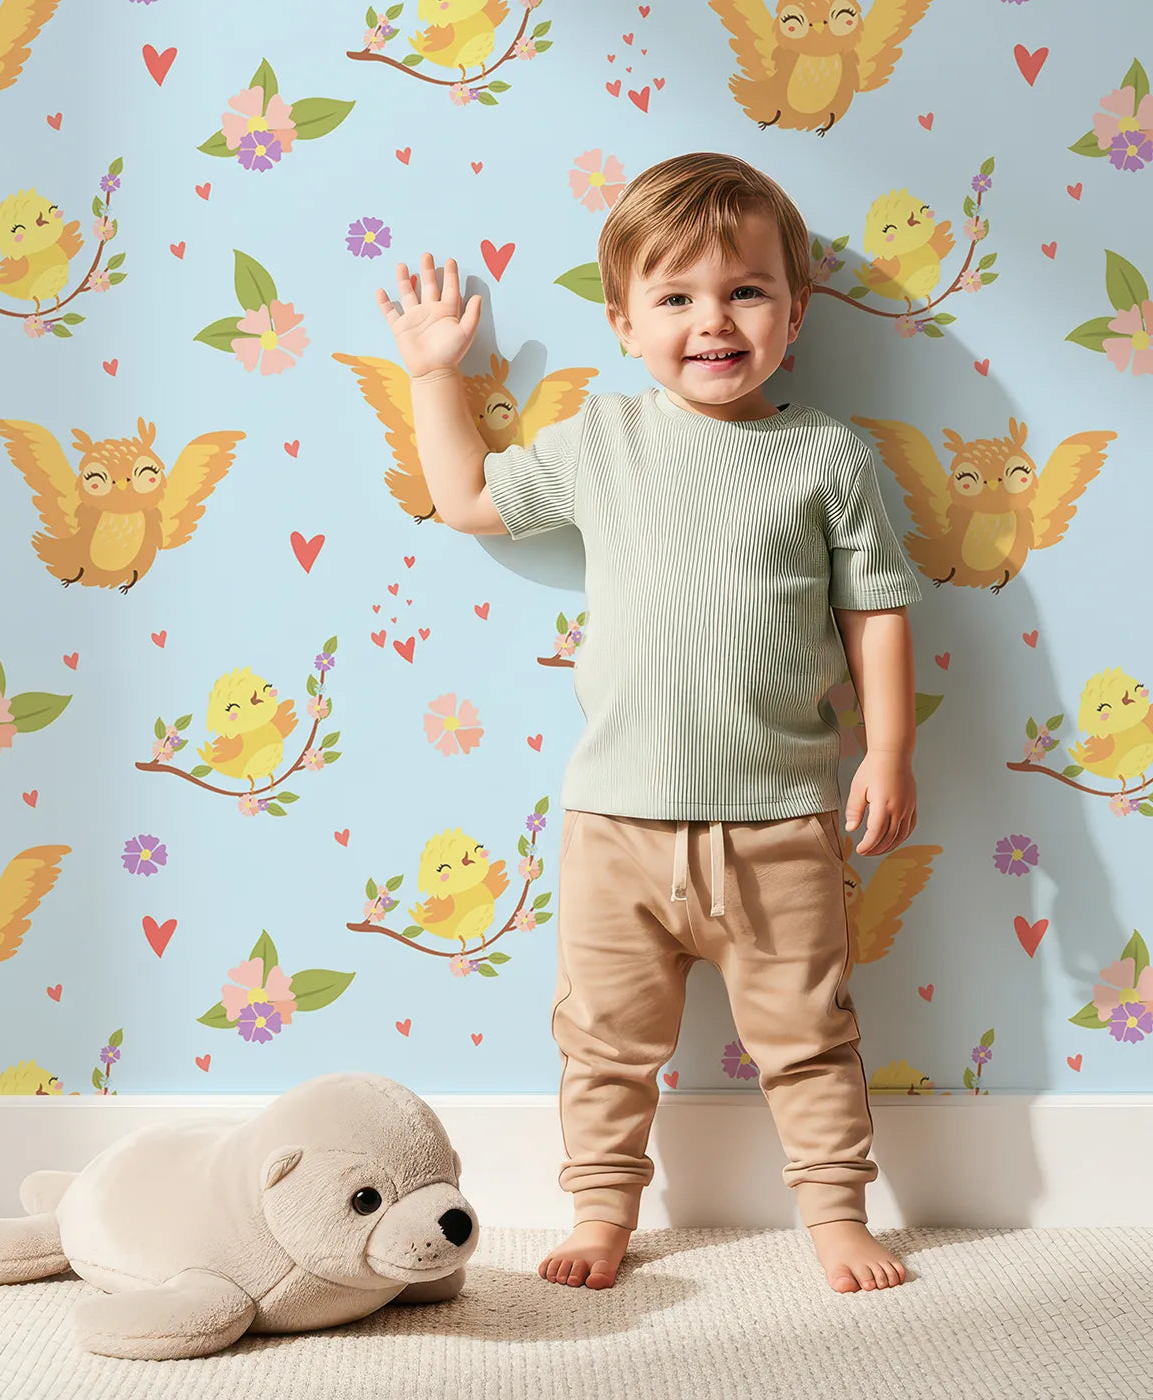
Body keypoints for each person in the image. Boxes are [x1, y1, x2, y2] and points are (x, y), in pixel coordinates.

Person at [374, 152, 922, 1295]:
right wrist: (437, 374)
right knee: (603, 1041)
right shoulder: (600, 440)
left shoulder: (827, 456)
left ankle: (833, 1213)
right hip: (615, 821)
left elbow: (873, 610)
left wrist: (887, 747)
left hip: (779, 821)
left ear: (794, 310)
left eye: (744, 292)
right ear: (623, 322)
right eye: (674, 298)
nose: (711, 322)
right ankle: (602, 1211)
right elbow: (469, 499)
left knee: (809, 1034)